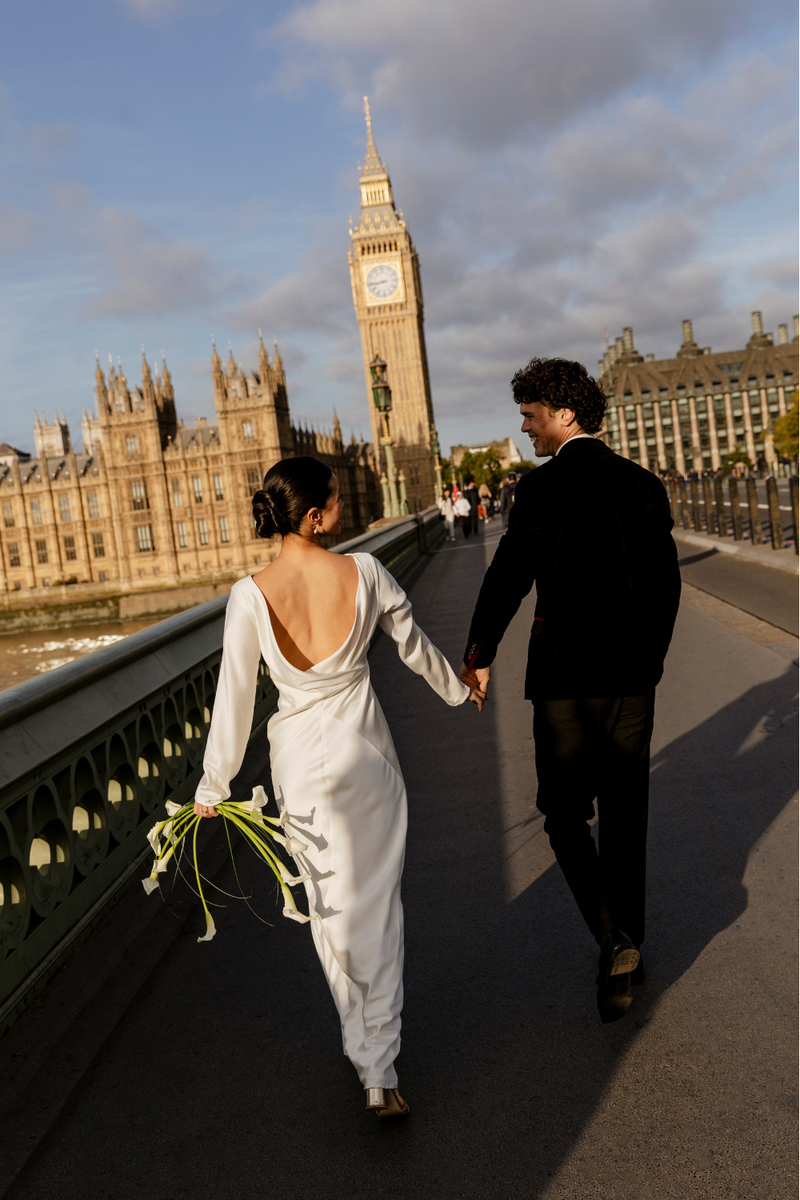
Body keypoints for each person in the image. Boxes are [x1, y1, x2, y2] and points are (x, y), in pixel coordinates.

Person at [193, 457, 485, 1116]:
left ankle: (365, 1054)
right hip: (366, 754)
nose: (343, 507)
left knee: (329, 910)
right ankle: (381, 1067)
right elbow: (415, 651)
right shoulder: (367, 573)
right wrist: (461, 687)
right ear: (315, 515)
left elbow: (233, 700)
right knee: (379, 906)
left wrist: (214, 784)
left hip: (298, 764)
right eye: (334, 498)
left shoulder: (249, 594)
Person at [460, 358, 681, 1024]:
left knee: (561, 812)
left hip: (564, 680)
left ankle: (611, 934)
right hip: (632, 677)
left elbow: (507, 578)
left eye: (530, 415)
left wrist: (478, 653)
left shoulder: (540, 491)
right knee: (625, 813)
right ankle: (628, 949)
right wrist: (649, 660)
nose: (525, 429)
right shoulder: (643, 485)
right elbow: (667, 586)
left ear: (563, 413)